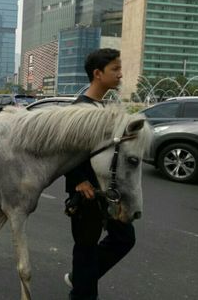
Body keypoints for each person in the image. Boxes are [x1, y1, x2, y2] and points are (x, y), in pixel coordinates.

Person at [64, 48, 134, 300]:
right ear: (97, 73)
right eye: (114, 69)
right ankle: (81, 291)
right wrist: (78, 180)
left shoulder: (102, 105)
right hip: (87, 192)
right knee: (86, 248)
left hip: (108, 190)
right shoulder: (80, 109)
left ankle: (80, 277)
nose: (120, 74)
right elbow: (65, 148)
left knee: (124, 238)